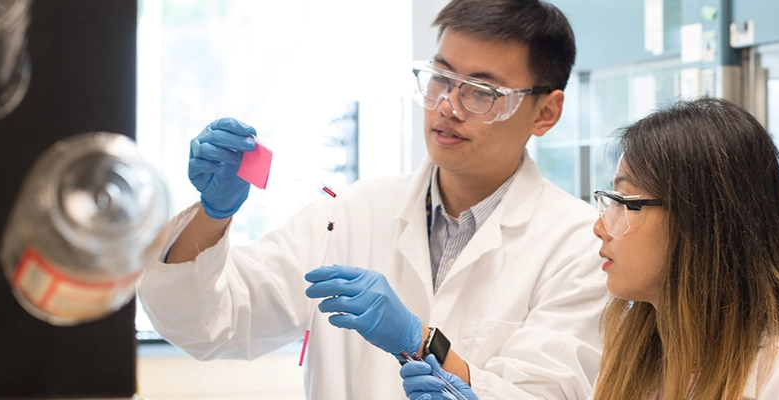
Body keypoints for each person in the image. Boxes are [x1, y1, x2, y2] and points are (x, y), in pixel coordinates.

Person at [137, 0, 609, 398]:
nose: (447, 106)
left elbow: (548, 391)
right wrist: (213, 214)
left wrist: (424, 343)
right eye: (441, 78)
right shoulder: (349, 215)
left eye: (481, 92)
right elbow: (207, 324)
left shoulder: (580, 248)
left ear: (545, 112)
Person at [400, 99, 779, 400]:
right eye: (608, 202)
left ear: (704, 222)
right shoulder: (636, 363)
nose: (600, 227)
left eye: (626, 203)